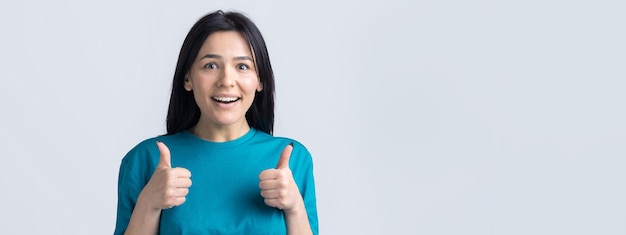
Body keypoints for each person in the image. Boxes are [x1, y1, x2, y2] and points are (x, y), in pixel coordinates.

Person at [114, 10, 318, 235]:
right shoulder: (143, 160)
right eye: (211, 66)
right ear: (187, 78)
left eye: (242, 67)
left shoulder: (293, 159)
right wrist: (148, 204)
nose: (226, 81)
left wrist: (295, 208)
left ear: (260, 81)